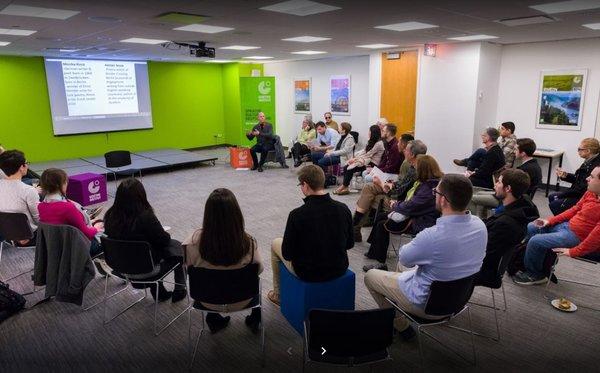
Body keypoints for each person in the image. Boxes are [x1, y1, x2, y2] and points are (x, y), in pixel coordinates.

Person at [364, 174, 486, 339]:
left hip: (427, 305)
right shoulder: (480, 226)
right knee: (403, 266)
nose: (434, 193)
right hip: (459, 299)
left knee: (371, 276)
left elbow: (405, 256)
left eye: (436, 191)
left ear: (443, 200)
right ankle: (399, 302)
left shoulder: (432, 236)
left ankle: (401, 325)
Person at [267, 165, 353, 305]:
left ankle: (278, 295)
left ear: (305, 185)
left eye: (301, 185)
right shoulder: (343, 209)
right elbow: (349, 244)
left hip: (308, 272)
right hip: (339, 267)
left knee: (275, 243)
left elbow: (287, 254)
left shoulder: (297, 215)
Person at [183, 188, 263, 334]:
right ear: (236, 214)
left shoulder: (192, 243)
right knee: (255, 280)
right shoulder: (248, 242)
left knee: (207, 278)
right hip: (243, 299)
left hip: (206, 300)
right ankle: (255, 318)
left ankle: (213, 319)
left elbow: (188, 269)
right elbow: (259, 270)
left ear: (207, 215)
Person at [513, 166, 600, 285]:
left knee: (535, 241)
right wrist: (550, 221)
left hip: (577, 237)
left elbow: (596, 237)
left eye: (592, 177)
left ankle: (536, 274)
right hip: (567, 226)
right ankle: (531, 262)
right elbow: (575, 209)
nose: (587, 179)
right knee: (532, 226)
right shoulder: (591, 192)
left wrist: (574, 252)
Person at [103, 178, 186, 302]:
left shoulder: (109, 216)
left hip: (121, 268)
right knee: (179, 248)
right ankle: (180, 290)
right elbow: (163, 240)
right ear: (141, 195)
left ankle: (159, 291)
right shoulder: (146, 217)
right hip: (147, 269)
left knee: (143, 252)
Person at [364, 155, 443, 271]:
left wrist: (395, 205)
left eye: (416, 167)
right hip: (418, 214)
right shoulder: (431, 184)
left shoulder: (427, 188)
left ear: (422, 170)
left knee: (382, 224)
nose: (414, 169)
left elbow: (412, 206)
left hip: (419, 220)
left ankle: (380, 262)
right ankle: (374, 250)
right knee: (381, 216)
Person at [353, 139, 426, 242]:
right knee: (369, 188)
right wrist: (389, 183)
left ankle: (355, 225)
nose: (404, 150)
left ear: (412, 154)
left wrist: (382, 183)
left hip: (398, 200)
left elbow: (398, 192)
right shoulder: (412, 166)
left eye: (406, 149)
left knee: (370, 194)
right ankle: (355, 227)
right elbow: (401, 183)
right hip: (396, 191)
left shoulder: (413, 169)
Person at [476, 169, 539, 286]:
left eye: (499, 182)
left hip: (483, 269)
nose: (495, 185)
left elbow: (485, 254)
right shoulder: (521, 206)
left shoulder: (506, 223)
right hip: (489, 262)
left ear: (508, 188)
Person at [469, 137, 543, 218]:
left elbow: (512, 190)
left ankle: (472, 222)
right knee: (479, 193)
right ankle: (482, 220)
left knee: (472, 198)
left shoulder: (526, 169)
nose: (514, 152)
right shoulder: (532, 165)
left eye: (516, 149)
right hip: (514, 195)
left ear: (523, 153)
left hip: (511, 199)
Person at [37, 168, 103, 256]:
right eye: (65, 182)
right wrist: (96, 228)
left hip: (58, 247)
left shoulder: (41, 206)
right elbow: (87, 233)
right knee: (105, 228)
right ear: (60, 185)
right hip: (78, 248)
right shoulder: (68, 207)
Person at [549, 137, 600, 215]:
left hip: (583, 196)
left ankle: (565, 221)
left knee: (554, 202)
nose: (578, 151)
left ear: (588, 151)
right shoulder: (589, 161)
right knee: (552, 197)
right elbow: (579, 179)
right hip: (578, 192)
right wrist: (565, 175)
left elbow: (582, 188)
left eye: (580, 149)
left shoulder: (594, 166)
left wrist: (564, 194)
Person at [0, 149, 39, 245]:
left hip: (7, 234)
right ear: (21, 167)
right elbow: (38, 219)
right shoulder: (29, 191)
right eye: (26, 163)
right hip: (31, 236)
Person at [333, 125, 384, 195]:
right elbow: (365, 151)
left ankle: (343, 186)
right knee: (347, 166)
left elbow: (368, 154)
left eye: (369, 131)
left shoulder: (379, 143)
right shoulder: (371, 141)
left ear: (373, 133)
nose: (368, 133)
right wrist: (355, 158)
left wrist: (355, 160)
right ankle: (346, 187)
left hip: (373, 163)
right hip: (367, 160)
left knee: (350, 168)